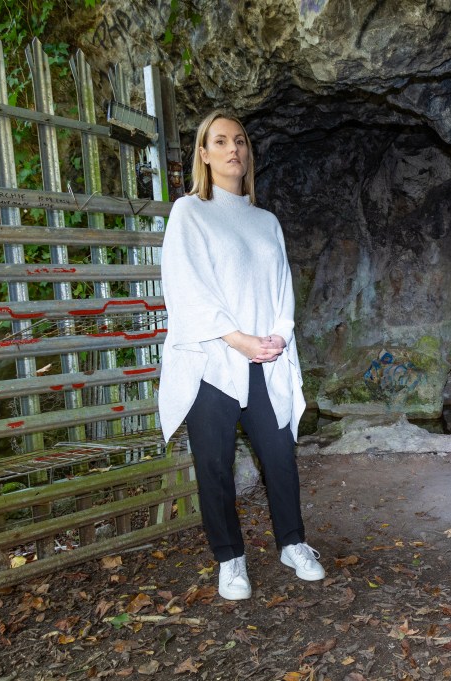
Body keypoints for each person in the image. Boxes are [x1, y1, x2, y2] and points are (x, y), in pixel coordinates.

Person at [158, 111, 324, 601]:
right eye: (220, 141)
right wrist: (237, 339)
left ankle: (292, 544)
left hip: (264, 361)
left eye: (240, 141)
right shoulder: (189, 213)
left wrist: (277, 335)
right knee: (213, 465)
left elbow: (281, 289)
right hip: (214, 361)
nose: (234, 149)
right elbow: (185, 287)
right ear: (204, 155)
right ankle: (230, 560)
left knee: (280, 457)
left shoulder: (266, 220)